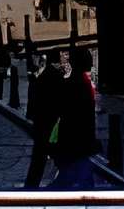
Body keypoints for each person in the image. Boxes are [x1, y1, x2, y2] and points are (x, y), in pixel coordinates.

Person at [47, 47, 102, 188]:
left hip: (73, 134)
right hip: (80, 134)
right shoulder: (82, 81)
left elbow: (62, 107)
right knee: (78, 168)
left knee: (75, 169)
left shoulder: (74, 82)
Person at [21, 48, 68, 188]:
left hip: (41, 123)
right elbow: (61, 102)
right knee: (56, 157)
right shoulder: (57, 77)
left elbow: (33, 100)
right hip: (51, 124)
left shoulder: (42, 77)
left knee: (39, 159)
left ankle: (31, 186)